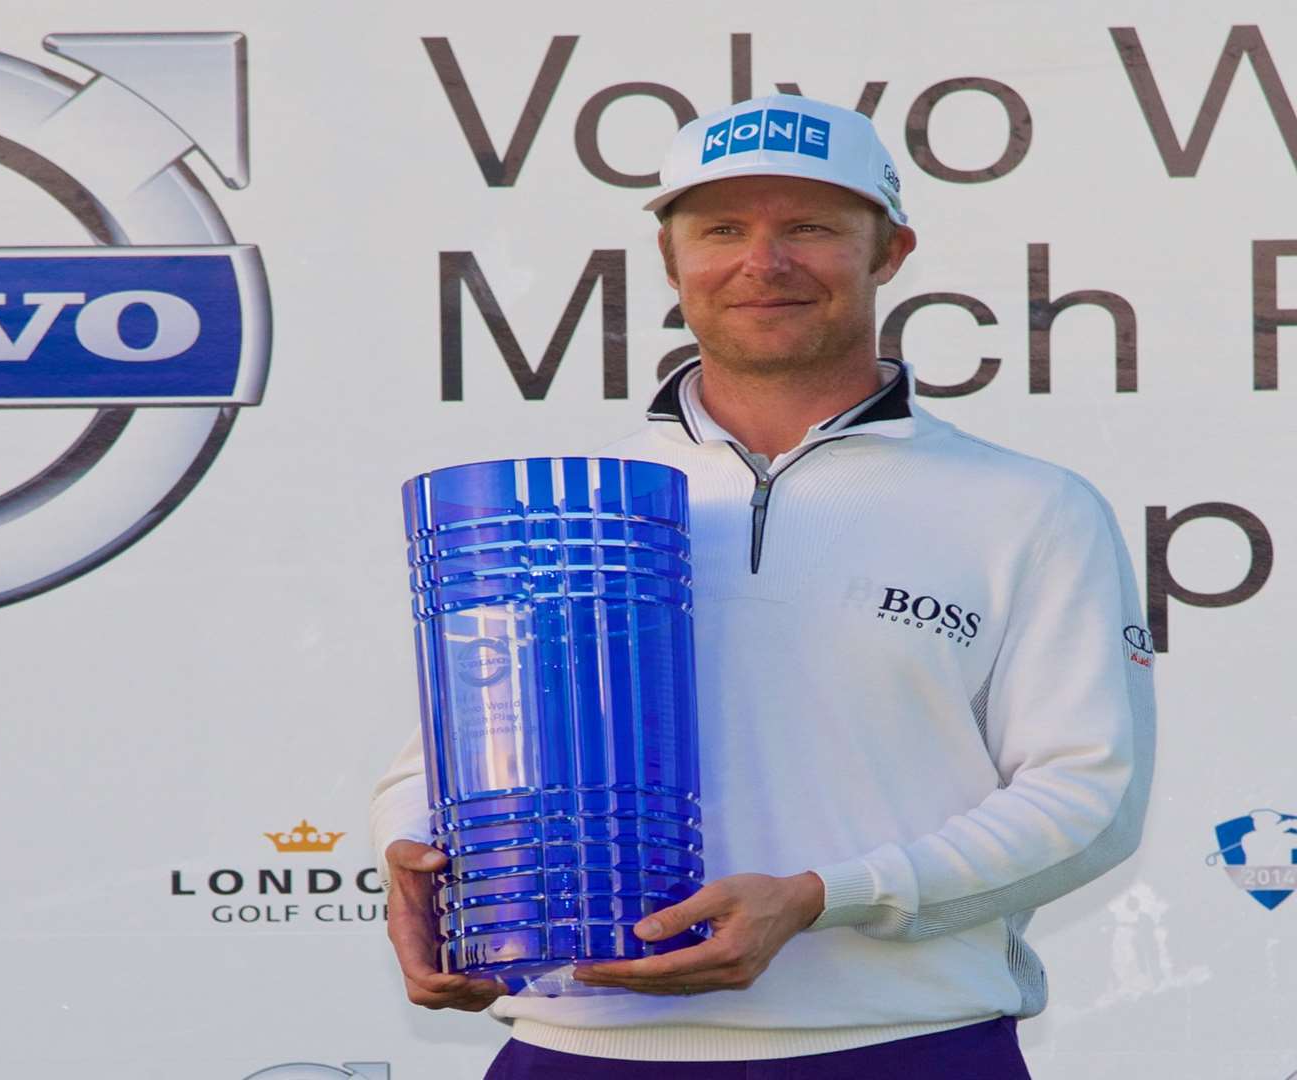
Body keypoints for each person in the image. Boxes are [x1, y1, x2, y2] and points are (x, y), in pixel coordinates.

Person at [370, 93, 1156, 1079]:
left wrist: (824, 896)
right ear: (670, 260)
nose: (765, 263)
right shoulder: (575, 508)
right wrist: (415, 862)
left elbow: (1087, 800)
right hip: (576, 1048)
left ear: (891, 251)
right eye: (723, 229)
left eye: (811, 227)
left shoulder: (1024, 506)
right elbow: (443, 759)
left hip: (900, 1049)